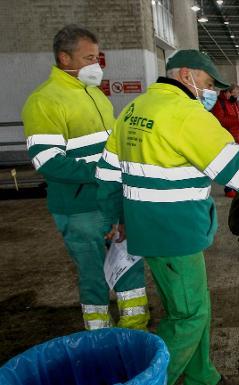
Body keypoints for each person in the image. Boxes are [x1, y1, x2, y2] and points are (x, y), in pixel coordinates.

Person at [95, 49, 239, 385]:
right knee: (189, 316)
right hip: (175, 231)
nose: (212, 93)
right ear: (185, 74)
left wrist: (116, 217)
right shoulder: (186, 115)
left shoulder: (135, 109)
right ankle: (150, 381)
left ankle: (201, 376)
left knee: (192, 306)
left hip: (148, 230)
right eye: (207, 83)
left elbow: (106, 172)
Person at [22, 24, 149, 331]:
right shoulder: (44, 101)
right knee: (93, 274)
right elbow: (48, 161)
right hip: (79, 208)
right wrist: (102, 172)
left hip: (110, 200)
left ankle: (136, 331)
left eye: (97, 57)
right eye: (89, 58)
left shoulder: (95, 95)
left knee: (130, 265)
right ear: (64, 59)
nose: (96, 65)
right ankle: (99, 337)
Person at [211, 83, 239, 198]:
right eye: (236, 93)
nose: (238, 95)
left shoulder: (234, 103)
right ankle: (229, 189)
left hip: (237, 138)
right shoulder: (219, 103)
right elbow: (219, 121)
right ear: (229, 92)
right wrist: (236, 119)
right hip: (227, 139)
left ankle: (233, 187)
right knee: (230, 165)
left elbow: (238, 115)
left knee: (236, 164)